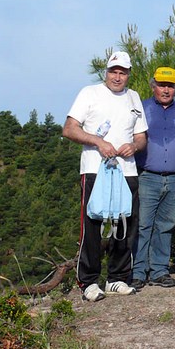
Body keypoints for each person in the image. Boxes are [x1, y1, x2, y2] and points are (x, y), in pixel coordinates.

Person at [62, 51, 148, 301]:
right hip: (95, 169)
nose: (117, 77)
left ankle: (118, 278)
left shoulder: (133, 98)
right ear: (106, 72)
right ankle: (88, 282)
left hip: (127, 170)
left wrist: (134, 146)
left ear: (129, 74)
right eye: (113, 71)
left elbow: (141, 136)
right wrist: (98, 142)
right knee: (93, 225)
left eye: (122, 72)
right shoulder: (89, 93)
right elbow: (69, 129)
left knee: (126, 224)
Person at [131, 67, 175, 290]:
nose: (166, 89)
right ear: (153, 86)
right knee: (143, 225)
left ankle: (159, 270)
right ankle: (138, 272)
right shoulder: (142, 108)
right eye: (161, 85)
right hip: (148, 176)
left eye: (170, 85)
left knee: (166, 226)